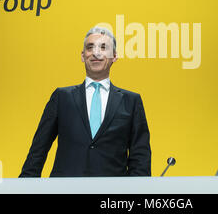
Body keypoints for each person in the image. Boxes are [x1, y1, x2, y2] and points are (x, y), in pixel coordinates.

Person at [19, 26, 151, 177]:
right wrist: (25, 186)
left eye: (103, 47)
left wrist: (138, 191)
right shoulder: (61, 97)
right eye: (90, 47)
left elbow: (140, 156)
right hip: (64, 189)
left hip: (112, 192)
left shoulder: (132, 101)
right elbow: (39, 148)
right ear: (83, 56)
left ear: (114, 56)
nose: (96, 53)